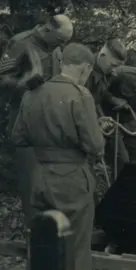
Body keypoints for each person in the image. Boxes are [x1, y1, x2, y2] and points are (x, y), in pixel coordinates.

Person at [11, 43, 104, 270]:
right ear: (85, 67)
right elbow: (95, 146)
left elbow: (18, 137)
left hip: (41, 178)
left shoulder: (32, 93)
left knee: (46, 246)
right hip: (71, 179)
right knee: (76, 249)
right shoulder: (80, 95)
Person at [0, 14, 73, 226]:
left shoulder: (55, 46)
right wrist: (26, 83)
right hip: (25, 119)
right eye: (60, 41)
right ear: (48, 30)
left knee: (52, 175)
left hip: (51, 119)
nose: (62, 45)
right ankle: (36, 232)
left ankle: (51, 226)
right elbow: (2, 81)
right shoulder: (20, 43)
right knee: (31, 176)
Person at [103, 65, 136, 173]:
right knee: (122, 159)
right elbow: (100, 90)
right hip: (112, 118)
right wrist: (113, 100)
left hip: (131, 117)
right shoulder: (122, 74)